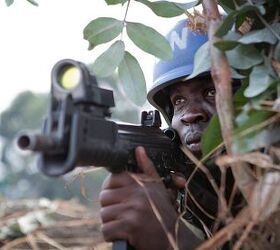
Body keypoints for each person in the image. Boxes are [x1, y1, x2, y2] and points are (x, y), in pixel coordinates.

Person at [99, 17, 240, 250]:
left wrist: (170, 237)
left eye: (212, 92)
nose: (189, 115)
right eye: (179, 101)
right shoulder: (188, 194)